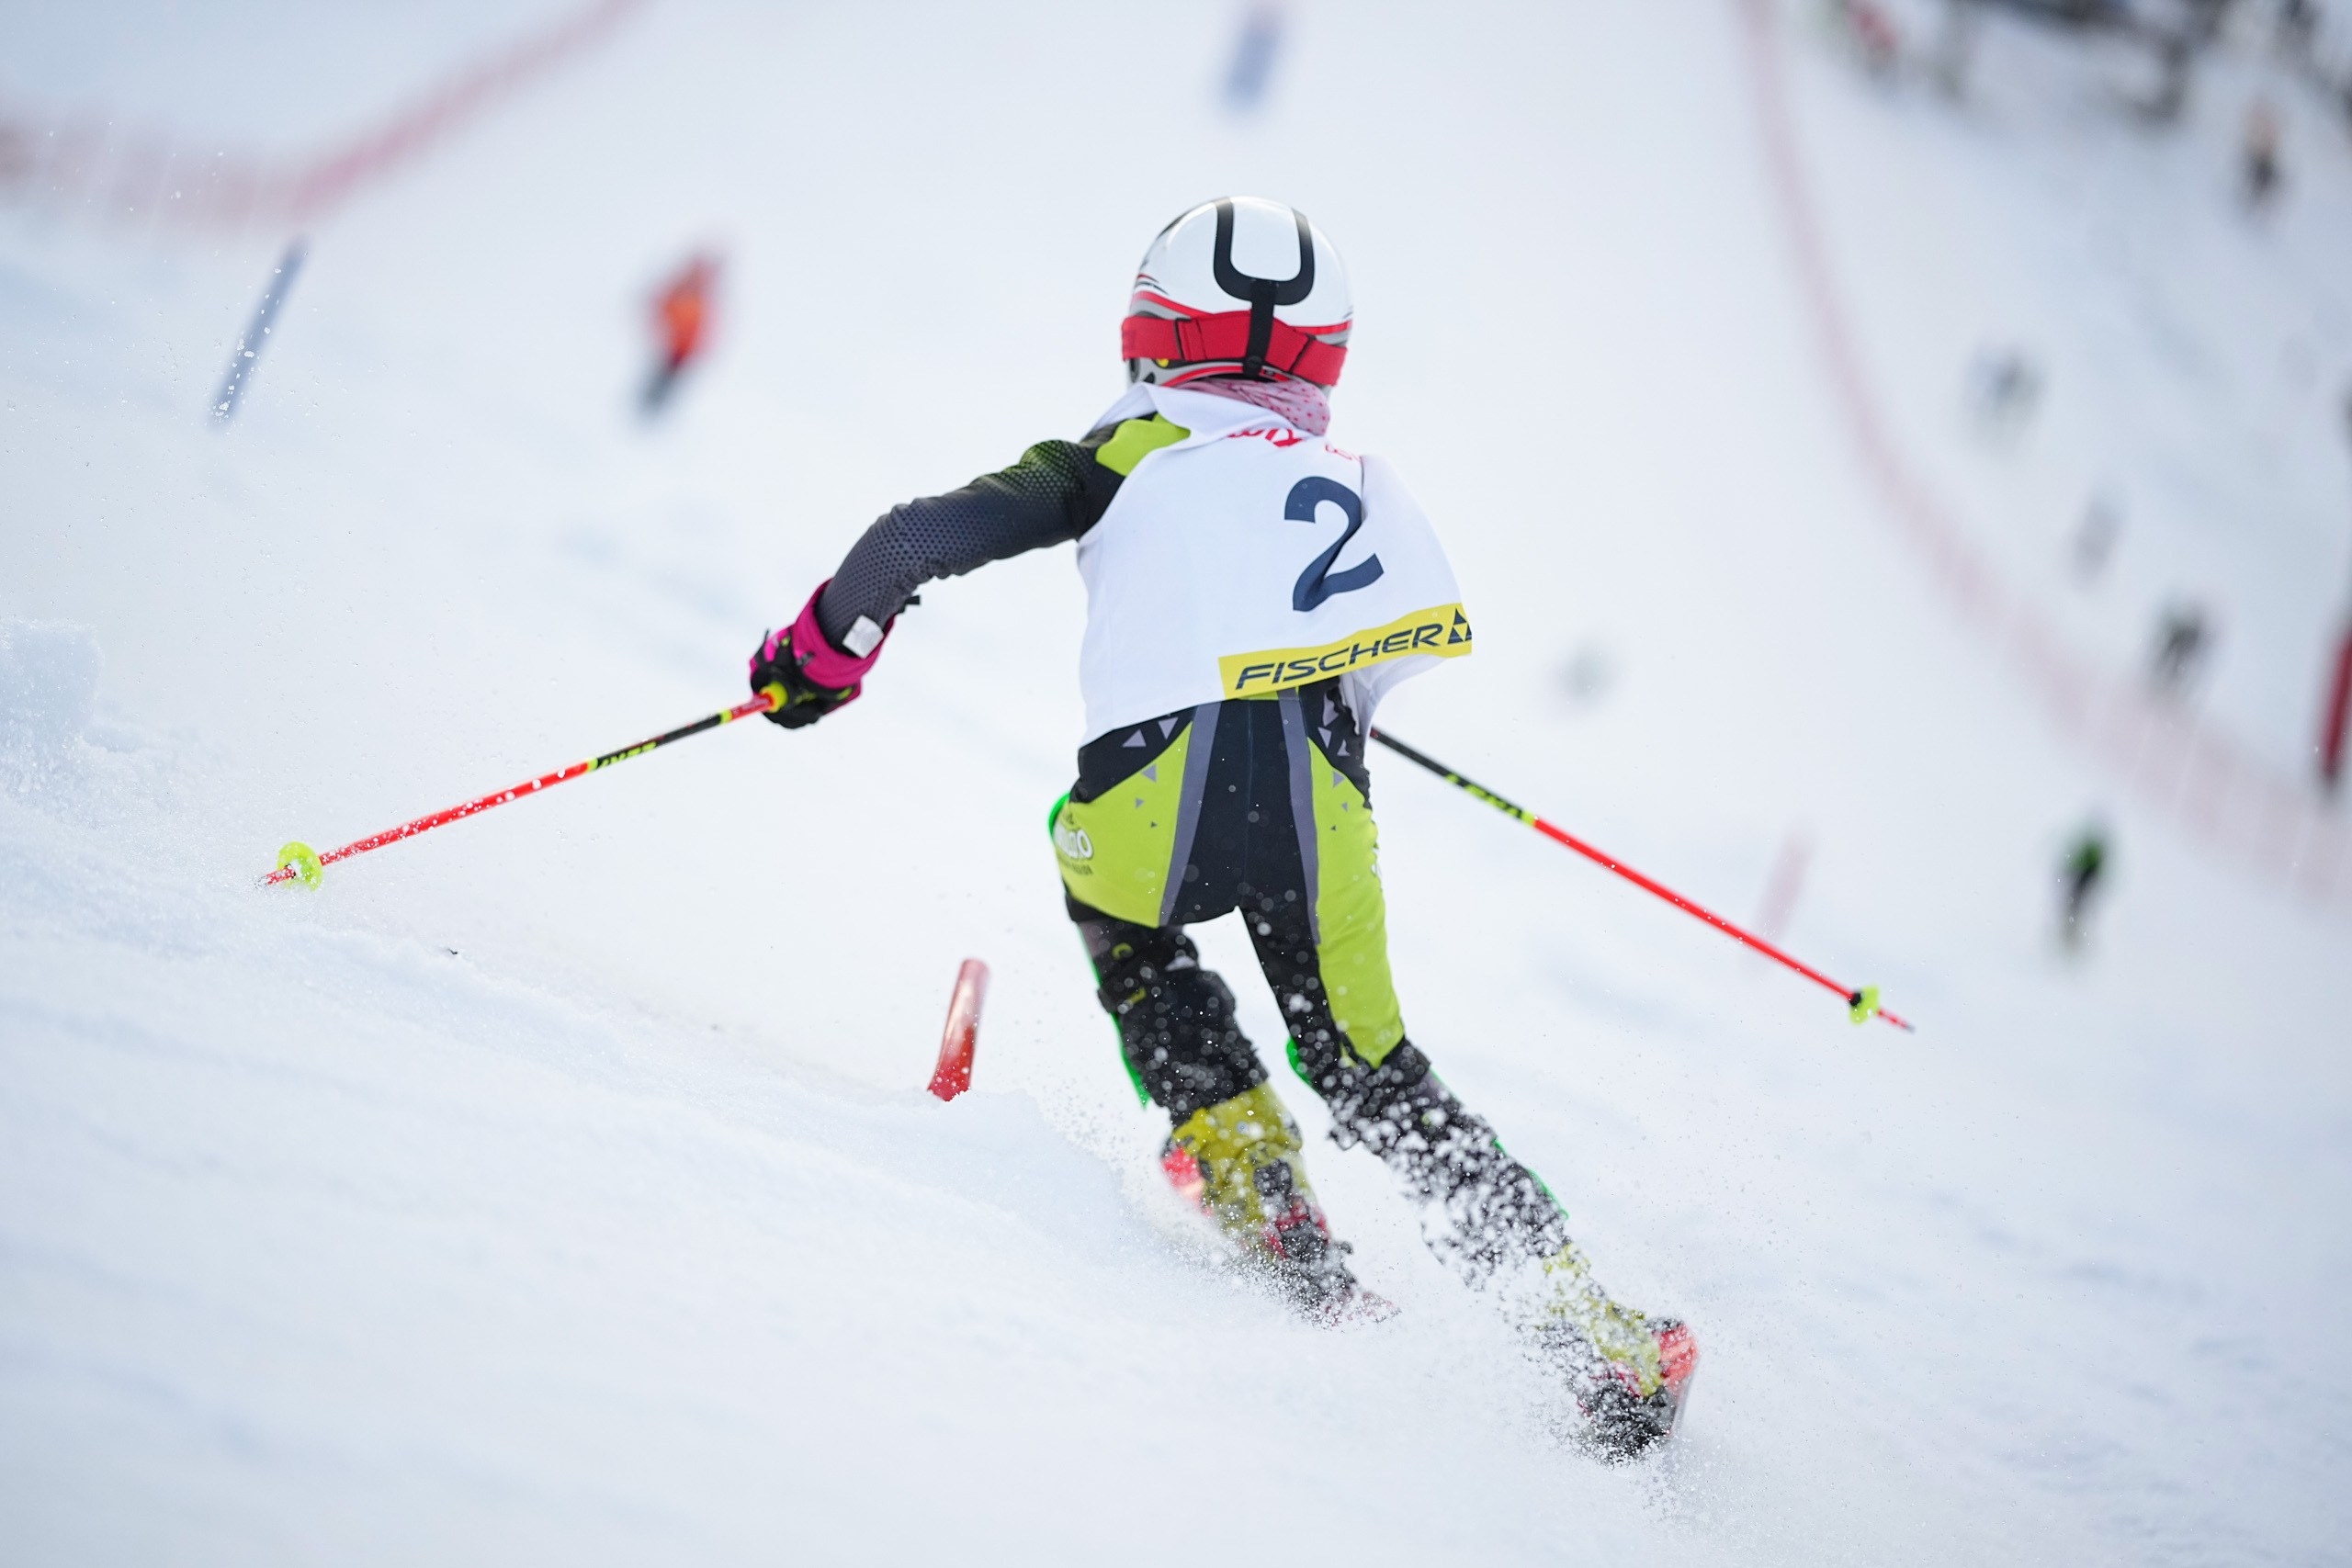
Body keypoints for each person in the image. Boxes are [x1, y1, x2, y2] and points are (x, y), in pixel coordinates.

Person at [745, 197, 1697, 1455]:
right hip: (1319, 797)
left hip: (1150, 790)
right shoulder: (1338, 472)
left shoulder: (1121, 448)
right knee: (1370, 1063)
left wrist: (817, 658)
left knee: (1131, 932)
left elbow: (915, 539)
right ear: (1328, 356)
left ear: (1151, 327)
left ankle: (1266, 1198)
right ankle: (1599, 1345)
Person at [641, 253, 718, 416]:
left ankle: (655, 403)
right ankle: (652, 402)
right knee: (662, 375)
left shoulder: (697, 298)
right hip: (674, 348)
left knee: (666, 378)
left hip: (681, 351)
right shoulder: (686, 293)